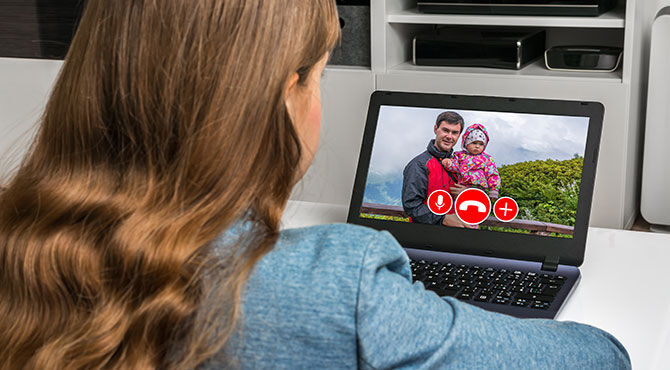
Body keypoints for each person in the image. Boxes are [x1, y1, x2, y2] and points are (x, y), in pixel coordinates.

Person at [0, 1, 630, 369]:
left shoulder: (20, 244)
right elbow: (596, 357)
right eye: (319, 75)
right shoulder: (339, 289)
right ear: (283, 96)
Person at [402, 111, 471, 226]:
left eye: (454, 132)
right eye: (445, 130)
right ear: (435, 129)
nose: (449, 136)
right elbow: (411, 206)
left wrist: (467, 194)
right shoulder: (419, 165)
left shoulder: (461, 164)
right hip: (425, 237)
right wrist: (443, 219)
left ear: (459, 136)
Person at [442, 123, 501, 198]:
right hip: (461, 186)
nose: (477, 146)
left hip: (479, 189)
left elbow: (492, 174)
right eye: (474, 143)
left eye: (481, 144)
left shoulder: (486, 159)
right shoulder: (460, 156)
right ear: (466, 143)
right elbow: (456, 167)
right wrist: (449, 164)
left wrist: (494, 190)